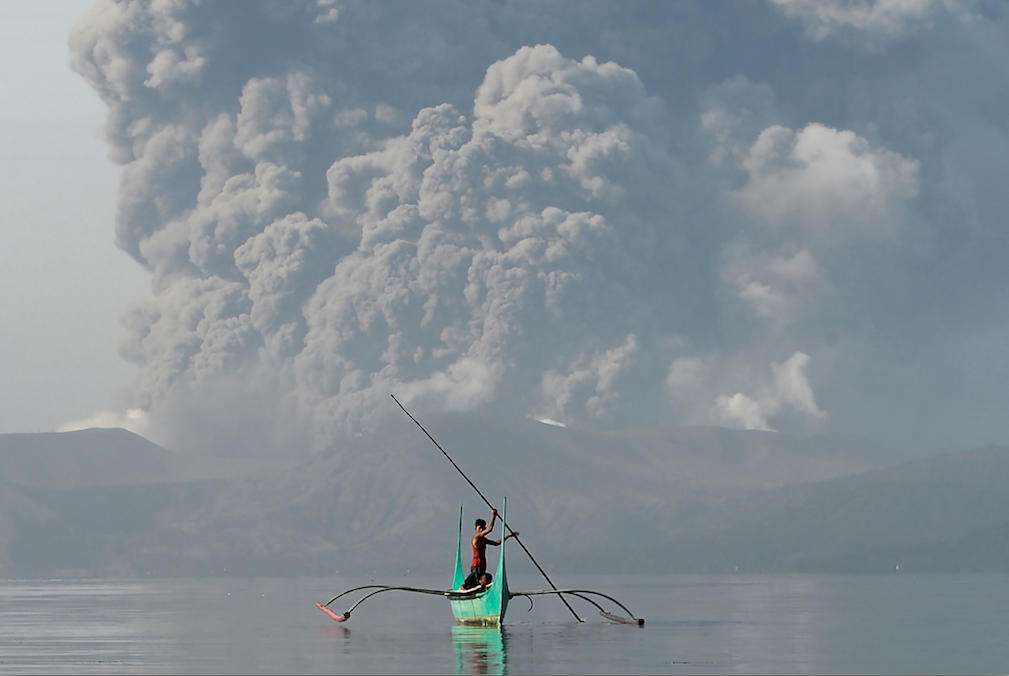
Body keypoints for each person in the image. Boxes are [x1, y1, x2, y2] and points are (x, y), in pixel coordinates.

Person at [461, 509, 518, 589]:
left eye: (482, 528)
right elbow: (490, 529)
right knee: (478, 580)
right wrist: (494, 516)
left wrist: (508, 536)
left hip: (482, 567)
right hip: (476, 566)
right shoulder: (476, 538)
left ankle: (475, 588)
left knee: (488, 578)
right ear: (477, 528)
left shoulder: (484, 540)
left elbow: (497, 543)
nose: (481, 529)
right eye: (480, 527)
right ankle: (464, 586)